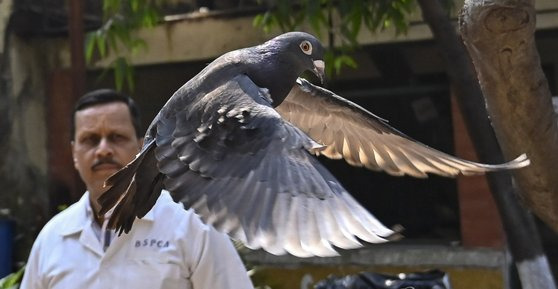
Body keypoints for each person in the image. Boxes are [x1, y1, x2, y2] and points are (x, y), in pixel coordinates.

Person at [20, 89, 255, 289]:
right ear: (74, 153)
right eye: (91, 139)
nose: (103, 150)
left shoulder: (191, 224)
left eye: (116, 137)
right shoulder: (52, 238)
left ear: (141, 147)